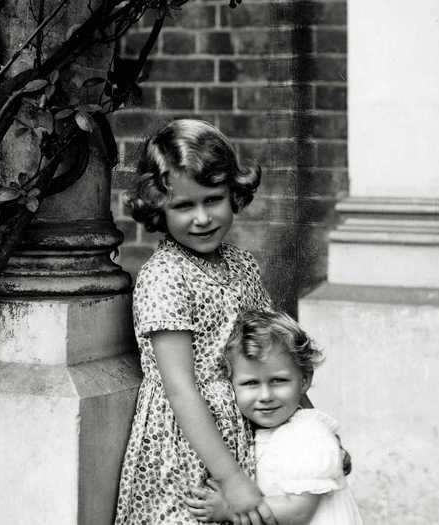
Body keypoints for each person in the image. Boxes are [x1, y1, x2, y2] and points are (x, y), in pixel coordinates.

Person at [113, 119, 276, 525]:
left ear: (233, 195)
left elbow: (277, 356)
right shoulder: (165, 275)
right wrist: (231, 477)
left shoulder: (241, 265)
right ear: (159, 209)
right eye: (184, 206)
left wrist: (314, 429)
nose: (202, 218)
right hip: (183, 448)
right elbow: (181, 388)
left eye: (213, 199)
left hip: (243, 431)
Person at [185, 310, 364, 525]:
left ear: (304, 380)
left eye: (279, 381)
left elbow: (298, 511)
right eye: (251, 383)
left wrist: (229, 511)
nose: (266, 396)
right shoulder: (264, 431)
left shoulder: (309, 436)